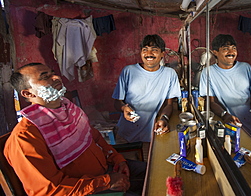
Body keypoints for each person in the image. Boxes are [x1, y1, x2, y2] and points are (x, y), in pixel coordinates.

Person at [5, 63, 146, 196]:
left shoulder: (69, 109)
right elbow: (50, 190)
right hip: (84, 190)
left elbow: (95, 138)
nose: (56, 77)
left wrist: (117, 159)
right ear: (28, 94)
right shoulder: (25, 137)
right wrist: (106, 182)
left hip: (105, 171)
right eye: (45, 77)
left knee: (154, 173)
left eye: (53, 73)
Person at [112, 34, 181, 143]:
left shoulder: (169, 74)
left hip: (151, 133)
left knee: (151, 158)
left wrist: (164, 118)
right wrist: (123, 108)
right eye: (145, 50)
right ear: (141, 53)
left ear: (162, 54)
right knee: (127, 159)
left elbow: (169, 104)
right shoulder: (128, 71)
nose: (149, 54)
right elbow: (117, 102)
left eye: (154, 50)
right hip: (126, 133)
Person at [199, 34, 251, 133]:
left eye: (234, 48)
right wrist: (225, 115)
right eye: (225, 49)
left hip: (250, 121)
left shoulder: (246, 68)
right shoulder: (208, 72)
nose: (231, 52)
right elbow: (210, 102)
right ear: (215, 52)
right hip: (229, 123)